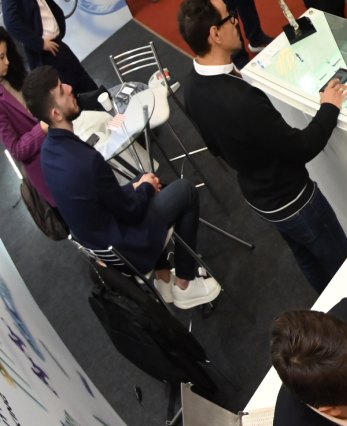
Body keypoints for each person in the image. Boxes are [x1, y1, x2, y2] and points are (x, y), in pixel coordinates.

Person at [179, 0, 347, 289]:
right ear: (215, 34)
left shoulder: (191, 86)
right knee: (341, 263)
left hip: (261, 199)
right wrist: (329, 106)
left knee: (307, 259)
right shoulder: (241, 99)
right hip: (296, 200)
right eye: (229, 17)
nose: (236, 21)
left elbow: (214, 147)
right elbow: (302, 147)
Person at [30, 67, 221, 308]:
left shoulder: (48, 153)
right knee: (185, 191)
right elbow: (130, 211)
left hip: (105, 244)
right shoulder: (87, 161)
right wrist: (145, 188)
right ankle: (185, 284)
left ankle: (164, 277)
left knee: (143, 180)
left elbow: (104, 200)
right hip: (128, 246)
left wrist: (138, 186)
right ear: (56, 113)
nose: (70, 88)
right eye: (61, 90)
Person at [0, 32, 59, 208]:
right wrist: (41, 129)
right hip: (48, 169)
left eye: (6, 55)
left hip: (62, 146)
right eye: (1, 58)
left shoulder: (15, 75)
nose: (7, 62)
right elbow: (17, 150)